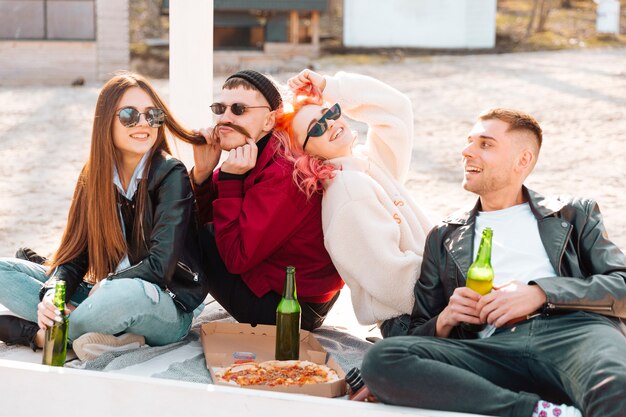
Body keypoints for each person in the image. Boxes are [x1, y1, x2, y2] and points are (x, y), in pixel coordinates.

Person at [360, 108, 626, 416]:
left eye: (485, 144)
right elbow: (418, 330)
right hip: (490, 350)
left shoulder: (573, 213)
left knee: (617, 387)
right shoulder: (445, 235)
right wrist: (445, 320)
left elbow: (621, 285)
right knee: (383, 359)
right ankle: (535, 411)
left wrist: (540, 293)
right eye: (469, 141)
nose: (467, 151)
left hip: (575, 335)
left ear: (522, 160)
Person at [0, 72, 210, 361]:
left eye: (153, 115)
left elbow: (160, 267)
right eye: (128, 115)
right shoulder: (95, 176)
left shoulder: (170, 173)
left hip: (165, 303)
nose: (143, 123)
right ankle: (102, 332)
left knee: (123, 295)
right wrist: (52, 294)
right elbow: (75, 256)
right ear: (105, 122)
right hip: (100, 295)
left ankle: (36, 333)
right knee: (3, 271)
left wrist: (110, 284)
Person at [273, 69, 433, 337]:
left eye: (330, 112)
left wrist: (330, 86)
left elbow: (397, 110)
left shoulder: (366, 164)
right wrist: (453, 292)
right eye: (317, 127)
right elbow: (389, 277)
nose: (331, 123)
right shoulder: (347, 189)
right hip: (415, 317)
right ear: (304, 152)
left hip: (428, 303)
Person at [190, 70, 342, 331]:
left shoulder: (283, 172)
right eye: (220, 108)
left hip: (292, 308)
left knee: (186, 230)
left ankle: (164, 308)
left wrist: (229, 181)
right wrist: (202, 174)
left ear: (269, 120)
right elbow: (206, 215)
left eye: (239, 109)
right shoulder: (252, 153)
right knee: (186, 218)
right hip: (279, 283)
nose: (225, 118)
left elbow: (236, 257)